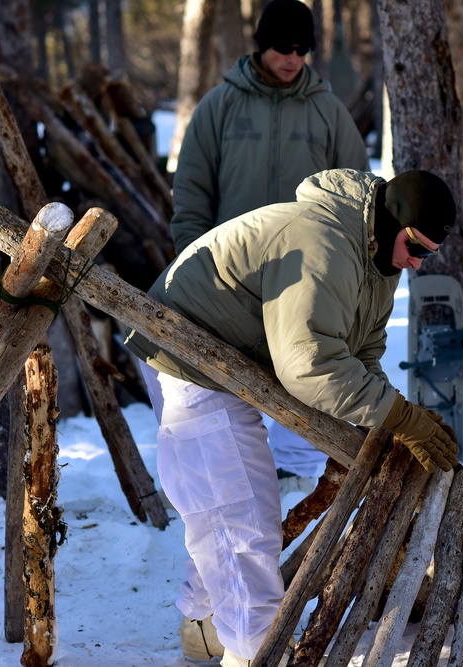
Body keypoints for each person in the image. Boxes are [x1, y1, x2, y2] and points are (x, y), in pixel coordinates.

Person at [126, 168, 461, 666]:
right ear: (393, 221)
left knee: (227, 506)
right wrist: (401, 417)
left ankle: (205, 624)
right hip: (188, 350)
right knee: (237, 512)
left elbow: (359, 354)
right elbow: (308, 366)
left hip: (234, 357)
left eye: (428, 255)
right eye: (416, 246)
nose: (416, 262)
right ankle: (256, 650)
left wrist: (392, 418)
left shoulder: (375, 262)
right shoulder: (325, 242)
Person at [168, 0, 371, 485]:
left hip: (306, 274)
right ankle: (239, 478)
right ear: (261, 46)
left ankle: (300, 477)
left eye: (303, 49)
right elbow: (192, 190)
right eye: (284, 47)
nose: (293, 58)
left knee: (304, 369)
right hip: (230, 274)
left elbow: (360, 194)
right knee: (231, 385)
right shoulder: (220, 105)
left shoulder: (328, 111)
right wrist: (191, 260)